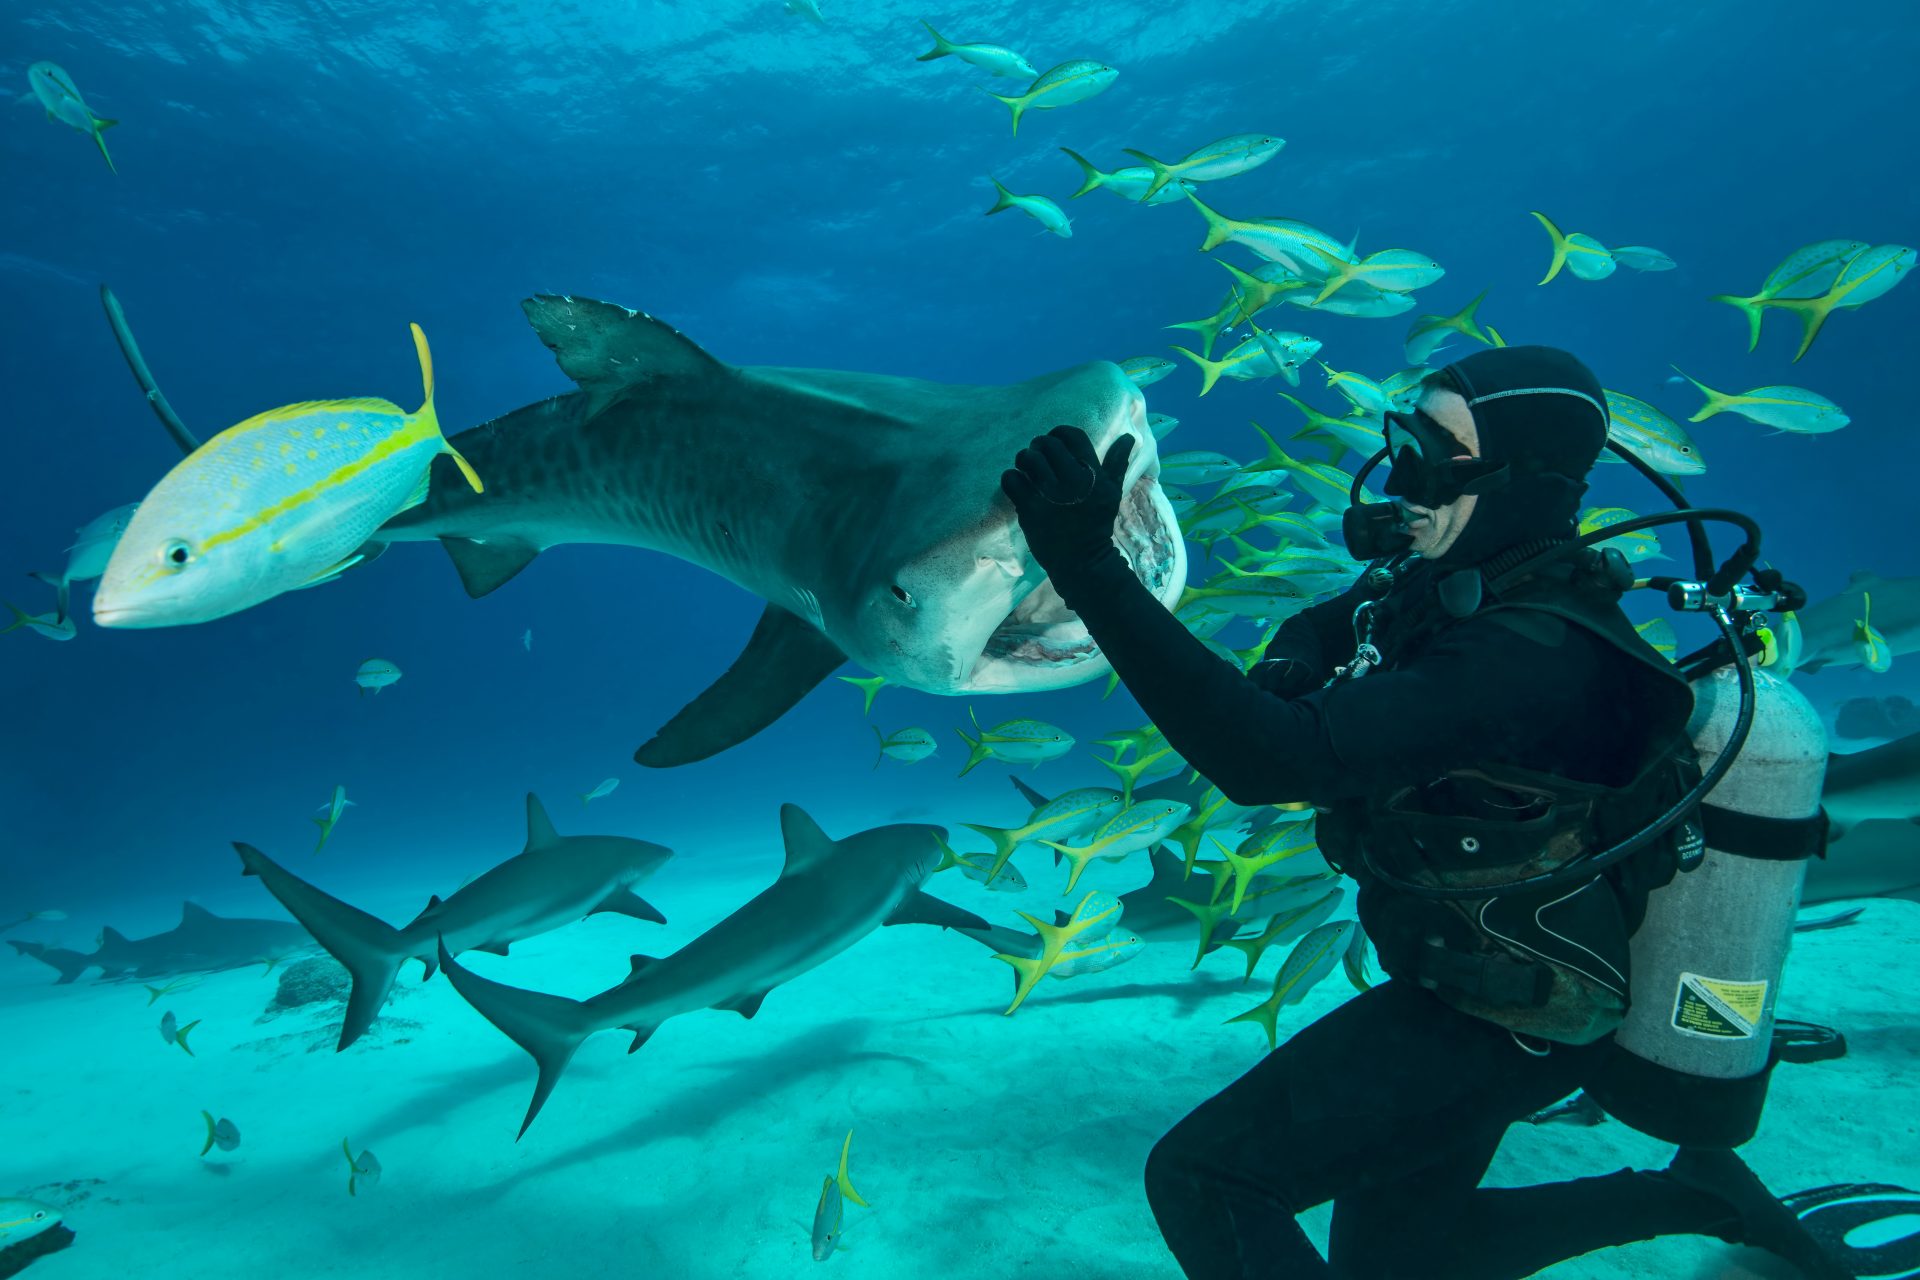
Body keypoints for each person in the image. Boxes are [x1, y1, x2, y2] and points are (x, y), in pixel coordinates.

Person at [1000, 346, 1876, 1279]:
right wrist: (1294, 674)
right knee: (1406, 1256)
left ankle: (1696, 1191)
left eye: (1434, 453)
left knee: (1205, 1179)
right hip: (1464, 973)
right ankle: (1697, 1195)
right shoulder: (1468, 579)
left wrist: (1090, 565)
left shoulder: (1531, 651)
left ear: (1523, 480)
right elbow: (1335, 620)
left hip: (1516, 1013)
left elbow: (1263, 761)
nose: (1399, 474)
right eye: (1403, 439)